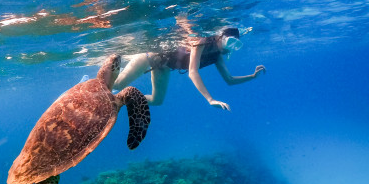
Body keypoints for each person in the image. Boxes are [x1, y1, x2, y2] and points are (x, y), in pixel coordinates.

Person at [113, 27, 265, 111]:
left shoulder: (217, 56)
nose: (231, 48)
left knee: (157, 100)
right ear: (219, 37)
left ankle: (119, 99)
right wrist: (210, 99)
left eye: (236, 45)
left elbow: (229, 80)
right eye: (230, 42)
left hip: (164, 67)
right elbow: (193, 72)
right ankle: (90, 82)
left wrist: (252, 76)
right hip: (150, 57)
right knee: (118, 83)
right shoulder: (200, 42)